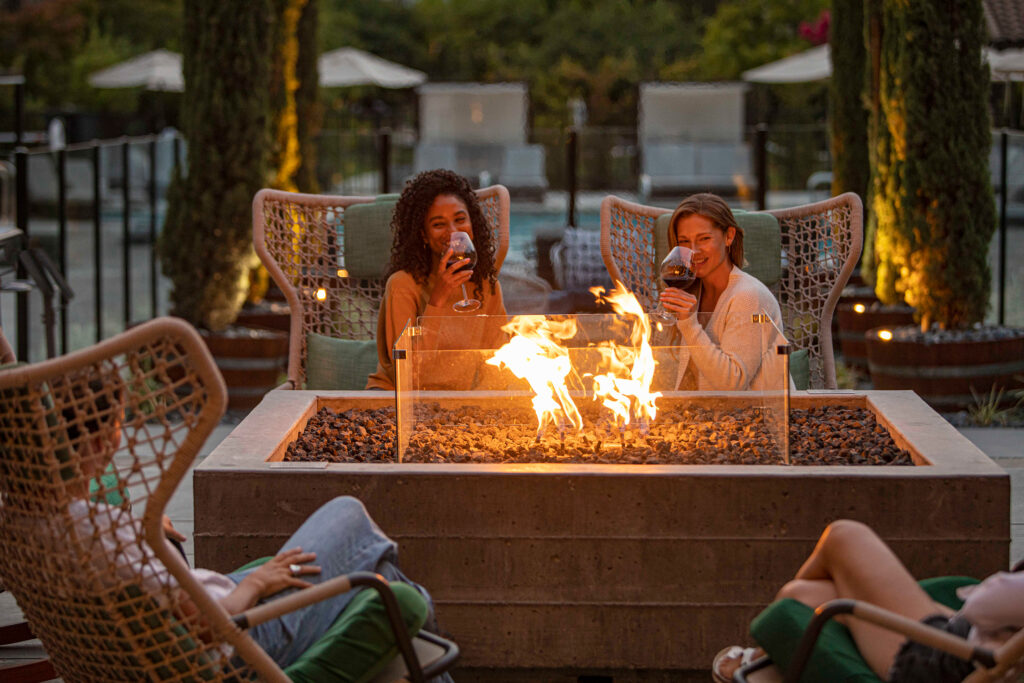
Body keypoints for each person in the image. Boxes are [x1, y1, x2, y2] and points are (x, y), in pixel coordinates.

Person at [54, 378, 451, 680]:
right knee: (353, 521)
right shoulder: (105, 535)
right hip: (243, 639)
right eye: (120, 424)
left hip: (215, 606)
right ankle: (417, 616)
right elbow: (209, 628)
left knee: (376, 567)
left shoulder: (35, 522)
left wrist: (139, 530)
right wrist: (257, 584)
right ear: (102, 438)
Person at [712, 519, 1023, 683]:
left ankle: (769, 652)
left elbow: (985, 602)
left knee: (843, 535)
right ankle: (776, 651)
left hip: (942, 658)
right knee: (803, 596)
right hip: (981, 642)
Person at [366, 168, 508, 390]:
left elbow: (499, 361)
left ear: (473, 225)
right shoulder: (402, 285)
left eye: (460, 220)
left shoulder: (487, 287)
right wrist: (437, 300)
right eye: (439, 224)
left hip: (456, 407)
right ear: (423, 234)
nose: (453, 232)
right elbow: (408, 373)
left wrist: (482, 407)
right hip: (396, 399)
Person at [657, 193, 787, 391]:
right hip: (710, 415)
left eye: (704, 239)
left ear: (729, 236)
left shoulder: (748, 296)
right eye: (684, 242)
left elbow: (732, 384)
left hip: (761, 416)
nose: (693, 251)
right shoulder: (693, 290)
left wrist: (689, 324)